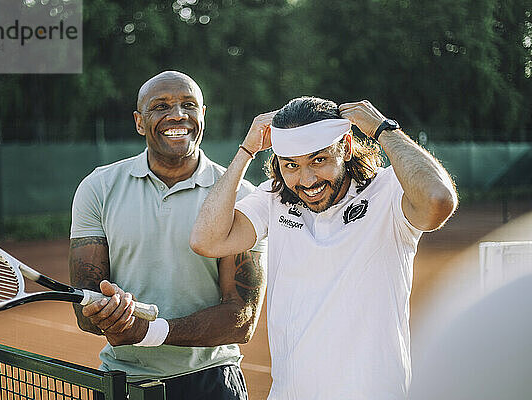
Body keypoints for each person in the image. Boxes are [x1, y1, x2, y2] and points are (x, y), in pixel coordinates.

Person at [190, 97, 458, 399]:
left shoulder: (389, 191)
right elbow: (206, 240)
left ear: (345, 146)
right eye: (291, 165)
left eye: (318, 160)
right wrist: (246, 151)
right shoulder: (273, 198)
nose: (306, 180)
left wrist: (383, 130)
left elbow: (438, 201)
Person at [68, 71, 266, 400]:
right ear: (138, 121)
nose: (177, 115)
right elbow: (85, 313)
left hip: (212, 381)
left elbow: (240, 319)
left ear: (203, 115)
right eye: (160, 106)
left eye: (189, 105)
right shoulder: (98, 188)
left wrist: (149, 332)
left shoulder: (241, 196)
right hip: (123, 382)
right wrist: (108, 314)